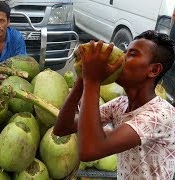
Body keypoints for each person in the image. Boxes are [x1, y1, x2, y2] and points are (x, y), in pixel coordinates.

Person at [53, 30, 175, 179]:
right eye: (125, 52)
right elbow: (62, 128)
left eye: (133, 54)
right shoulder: (120, 104)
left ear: (154, 70)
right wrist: (83, 78)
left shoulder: (160, 115)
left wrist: (92, 81)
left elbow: (89, 151)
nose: (123, 58)